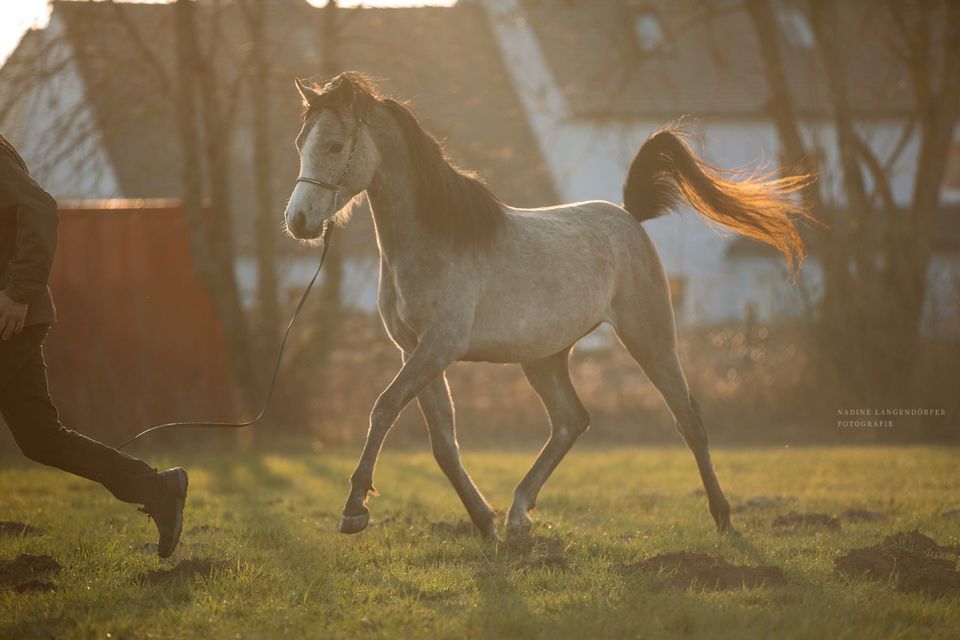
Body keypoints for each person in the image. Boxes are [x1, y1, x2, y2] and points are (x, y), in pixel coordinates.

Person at [0, 133, 187, 558]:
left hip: (10, 315)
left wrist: (18, 292)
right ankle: (158, 490)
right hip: (17, 316)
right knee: (40, 438)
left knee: (40, 436)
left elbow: (40, 209)